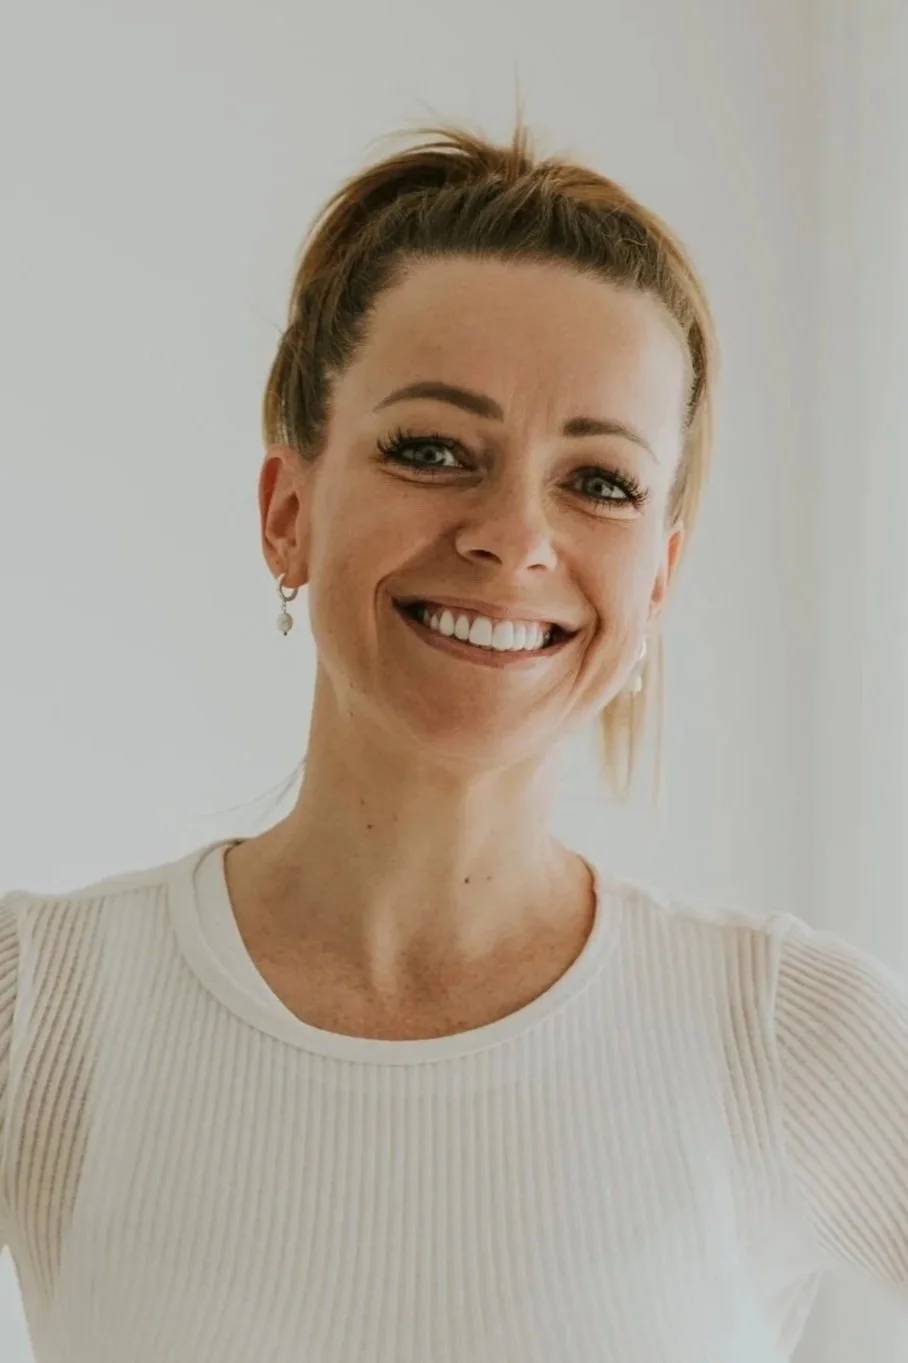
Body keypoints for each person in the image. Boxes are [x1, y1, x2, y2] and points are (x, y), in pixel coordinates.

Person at [1, 120, 907, 1363]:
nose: (513, 536)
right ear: (288, 511)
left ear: (659, 581)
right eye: (432, 450)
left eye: (598, 481)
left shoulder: (788, 1034)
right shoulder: (41, 1005)